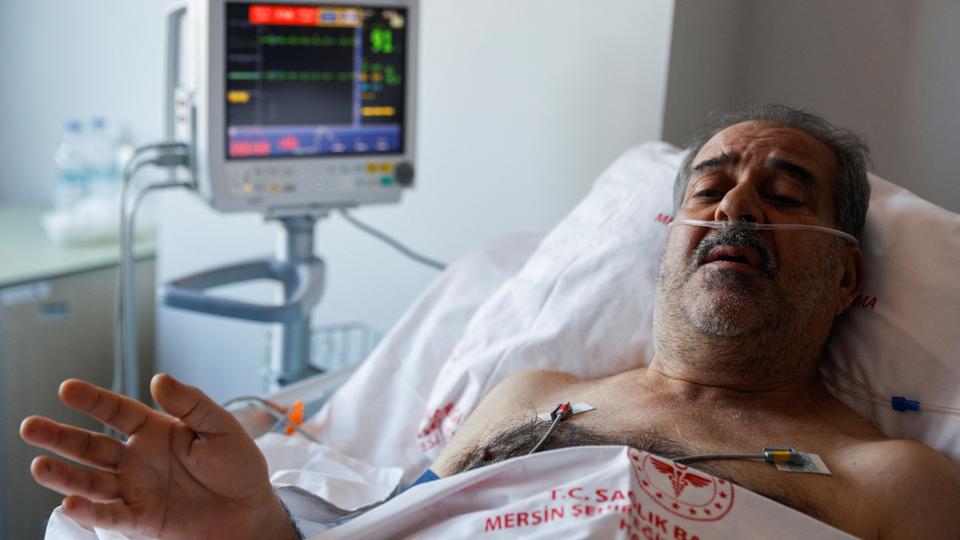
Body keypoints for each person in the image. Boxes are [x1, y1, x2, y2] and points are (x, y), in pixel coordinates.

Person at [21, 105, 960, 539]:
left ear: (846, 276)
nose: (737, 206)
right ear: (670, 241)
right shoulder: (534, 396)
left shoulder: (890, 481)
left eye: (784, 193)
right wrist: (252, 524)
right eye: (710, 188)